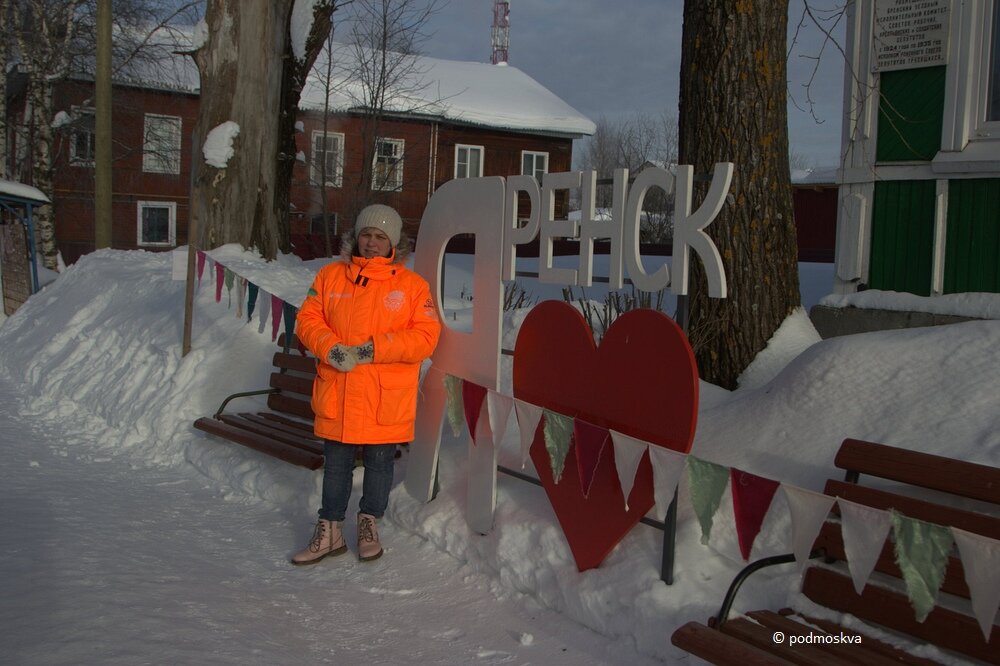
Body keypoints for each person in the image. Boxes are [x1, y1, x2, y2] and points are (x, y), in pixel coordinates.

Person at [292, 204, 441, 564]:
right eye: (366, 234)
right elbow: (307, 319)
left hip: (383, 397)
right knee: (337, 464)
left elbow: (425, 337)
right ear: (355, 237)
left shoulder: (411, 286)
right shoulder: (329, 276)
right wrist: (331, 348)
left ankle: (369, 523)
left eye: (380, 236)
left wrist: (376, 348)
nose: (371, 243)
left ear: (393, 243)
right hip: (339, 392)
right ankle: (329, 530)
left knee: (378, 464)